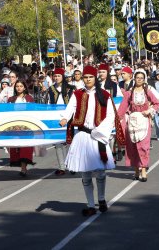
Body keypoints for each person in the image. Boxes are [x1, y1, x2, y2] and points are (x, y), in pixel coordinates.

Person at [60, 65, 123, 216]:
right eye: (85, 77)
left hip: (98, 136)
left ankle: (101, 199)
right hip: (83, 136)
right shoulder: (77, 94)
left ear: (95, 78)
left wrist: (100, 131)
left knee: (100, 171)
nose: (88, 80)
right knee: (86, 173)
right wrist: (64, 118)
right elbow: (70, 108)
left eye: (90, 77)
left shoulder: (104, 96)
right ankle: (90, 204)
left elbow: (110, 115)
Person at [117, 69, 159, 182]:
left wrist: (149, 111)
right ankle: (136, 169)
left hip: (144, 121)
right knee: (133, 147)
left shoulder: (147, 92)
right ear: (134, 79)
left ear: (144, 79)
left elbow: (157, 103)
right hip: (132, 122)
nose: (139, 80)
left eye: (141, 78)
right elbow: (122, 107)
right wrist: (116, 119)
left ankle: (143, 170)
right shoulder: (130, 93)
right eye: (137, 78)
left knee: (143, 146)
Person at [47, 68, 75, 175]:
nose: (56, 77)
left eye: (59, 76)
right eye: (55, 76)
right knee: (58, 143)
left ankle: (71, 165)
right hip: (56, 118)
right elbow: (48, 104)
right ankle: (61, 167)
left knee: (69, 142)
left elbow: (74, 105)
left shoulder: (71, 89)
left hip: (69, 118)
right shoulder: (51, 89)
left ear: (63, 77)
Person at [8, 80, 35, 177]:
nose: (19, 88)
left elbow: (33, 111)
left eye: (21, 86)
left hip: (26, 127)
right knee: (16, 147)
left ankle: (24, 168)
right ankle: (21, 166)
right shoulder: (11, 100)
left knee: (25, 147)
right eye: (17, 86)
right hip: (15, 126)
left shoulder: (29, 98)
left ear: (24, 87)